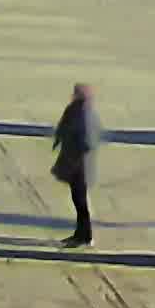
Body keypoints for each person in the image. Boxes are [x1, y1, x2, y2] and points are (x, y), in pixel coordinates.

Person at [51, 82, 99, 246]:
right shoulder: (74, 109)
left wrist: (75, 155)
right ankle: (80, 234)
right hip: (74, 163)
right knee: (77, 200)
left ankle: (85, 236)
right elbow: (63, 126)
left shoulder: (84, 113)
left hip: (79, 166)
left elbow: (87, 141)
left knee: (80, 201)